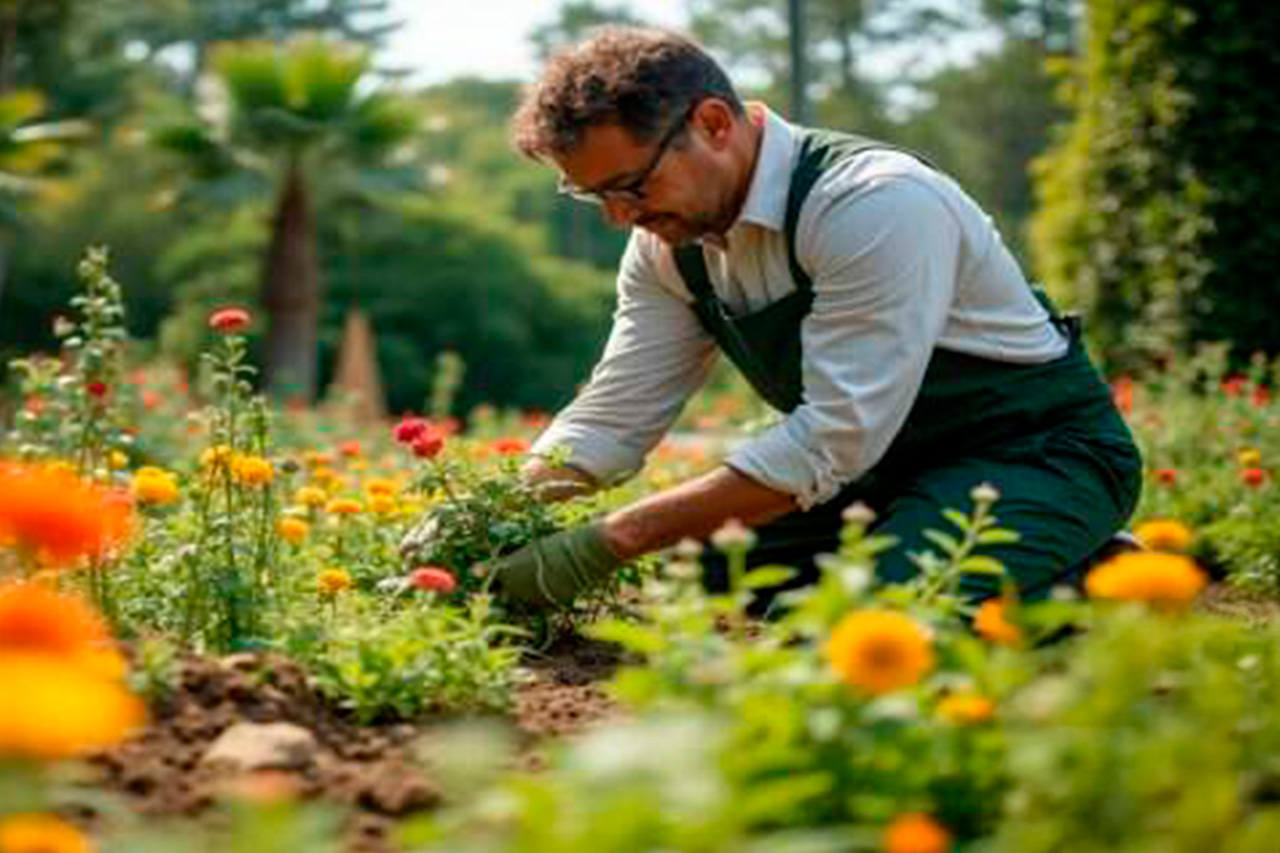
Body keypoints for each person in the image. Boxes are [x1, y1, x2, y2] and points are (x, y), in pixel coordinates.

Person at [403, 26, 1142, 612]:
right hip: (880, 475)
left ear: (714, 123)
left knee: (881, 622)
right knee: (699, 582)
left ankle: (1108, 578)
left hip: (1035, 457)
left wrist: (607, 540)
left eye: (630, 185)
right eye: (595, 198)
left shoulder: (873, 203)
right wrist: (492, 509)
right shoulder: (668, 243)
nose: (619, 218)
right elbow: (615, 416)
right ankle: (1031, 564)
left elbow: (834, 437)